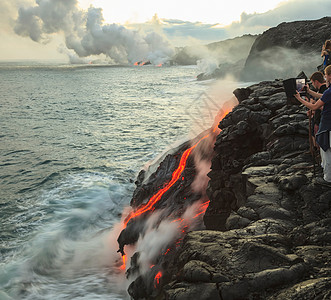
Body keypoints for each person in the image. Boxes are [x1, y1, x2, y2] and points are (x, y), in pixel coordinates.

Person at [294, 65, 331, 185]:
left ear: (329, 76)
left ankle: (328, 179)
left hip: (328, 125)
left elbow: (315, 106)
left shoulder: (329, 91)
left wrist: (299, 98)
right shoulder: (329, 92)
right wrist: (309, 91)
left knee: (326, 151)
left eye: (326, 75)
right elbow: (324, 96)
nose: (325, 78)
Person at [306, 72, 328, 144]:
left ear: (316, 81)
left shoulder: (324, 89)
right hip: (319, 119)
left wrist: (313, 107)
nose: (312, 84)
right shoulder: (323, 90)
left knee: (321, 142)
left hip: (321, 120)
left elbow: (321, 106)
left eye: (312, 82)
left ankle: (317, 152)